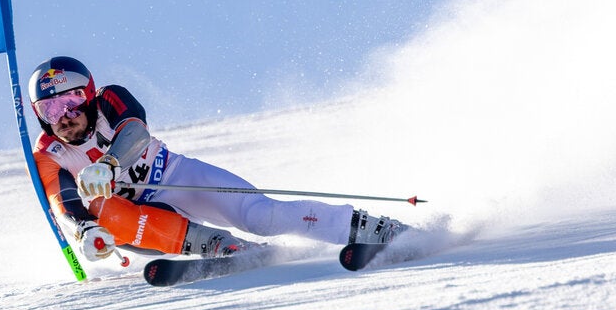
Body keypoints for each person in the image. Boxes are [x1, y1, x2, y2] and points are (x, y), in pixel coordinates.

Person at [28, 56, 408, 262]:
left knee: (261, 216)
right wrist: (83, 229)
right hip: (140, 221)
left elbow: (136, 131)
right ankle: (221, 247)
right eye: (50, 108)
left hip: (175, 177)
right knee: (108, 217)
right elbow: (62, 200)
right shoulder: (49, 153)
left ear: (90, 95)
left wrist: (109, 164)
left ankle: (373, 229)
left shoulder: (110, 98)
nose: (64, 114)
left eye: (72, 100)